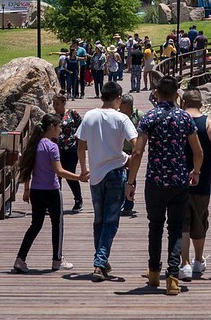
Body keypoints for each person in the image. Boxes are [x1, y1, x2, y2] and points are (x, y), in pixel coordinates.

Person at [126, 75, 203, 296]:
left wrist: (130, 182)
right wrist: (195, 172)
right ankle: (172, 278)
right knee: (176, 228)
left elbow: (138, 152)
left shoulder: (149, 117)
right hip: (179, 180)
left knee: (155, 226)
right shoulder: (184, 118)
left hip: (155, 181)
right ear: (177, 95)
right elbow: (198, 152)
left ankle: (153, 272)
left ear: (157, 94)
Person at [77, 81, 138, 281]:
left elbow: (81, 145)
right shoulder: (122, 118)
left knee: (99, 220)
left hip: (95, 175)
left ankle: (101, 260)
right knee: (111, 222)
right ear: (118, 98)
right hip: (115, 173)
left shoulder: (89, 116)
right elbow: (137, 147)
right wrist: (130, 167)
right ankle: (99, 262)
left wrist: (84, 169)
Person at [13, 113, 89, 273]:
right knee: (58, 225)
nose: (60, 130)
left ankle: (20, 259)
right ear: (52, 127)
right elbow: (59, 171)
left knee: (35, 225)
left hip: (36, 191)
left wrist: (26, 190)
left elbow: (28, 168)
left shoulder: (34, 145)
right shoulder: (52, 146)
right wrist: (79, 177)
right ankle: (57, 260)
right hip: (52, 191)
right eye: (59, 126)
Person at [179, 89, 211, 281]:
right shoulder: (209, 123)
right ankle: (198, 260)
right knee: (200, 220)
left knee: (183, 221)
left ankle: (184, 264)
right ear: (201, 103)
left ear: (183, 102)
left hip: (180, 180)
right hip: (202, 181)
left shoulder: (178, 120)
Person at [53, 93, 83, 212]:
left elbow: (81, 126)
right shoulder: (53, 117)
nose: (56, 107)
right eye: (54, 104)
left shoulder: (72, 113)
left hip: (71, 148)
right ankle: (56, 201)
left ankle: (78, 199)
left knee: (70, 174)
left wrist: (80, 142)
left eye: (58, 104)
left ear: (63, 103)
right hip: (57, 150)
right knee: (57, 176)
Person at [119, 93, 143, 217]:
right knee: (119, 177)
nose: (119, 106)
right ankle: (120, 203)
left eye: (121, 104)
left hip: (133, 152)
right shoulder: (117, 115)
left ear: (127, 105)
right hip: (119, 151)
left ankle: (129, 204)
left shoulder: (139, 116)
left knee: (131, 177)